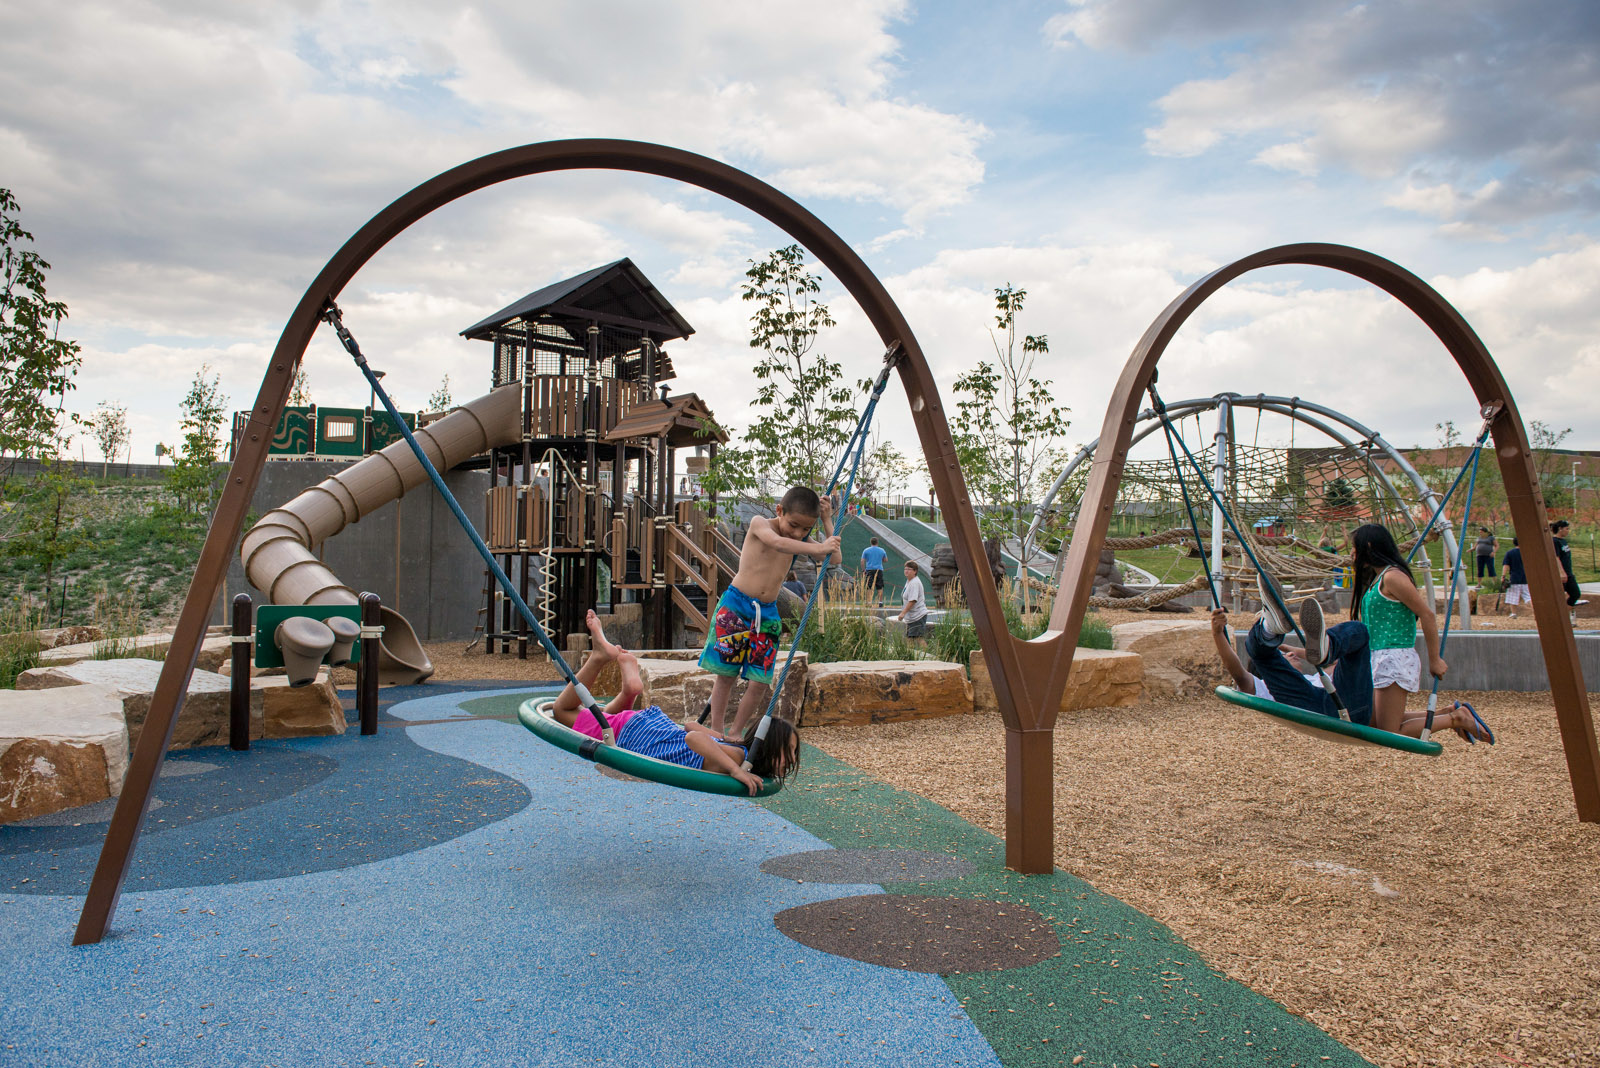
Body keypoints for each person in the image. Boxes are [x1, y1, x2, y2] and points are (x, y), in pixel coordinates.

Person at [553, 611, 800, 795]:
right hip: (637, 734)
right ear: (766, 747)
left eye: (793, 752)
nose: (791, 758)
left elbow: (692, 726)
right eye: (787, 751)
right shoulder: (736, 759)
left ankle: (629, 692)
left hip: (649, 727)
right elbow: (694, 738)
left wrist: (721, 737)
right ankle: (598, 658)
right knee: (562, 711)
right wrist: (734, 770)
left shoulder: (734, 750)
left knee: (606, 717)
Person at [700, 486, 841, 738]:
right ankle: (716, 731)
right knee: (726, 674)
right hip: (736, 607)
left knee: (759, 681)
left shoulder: (799, 540)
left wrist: (827, 520)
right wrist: (818, 547)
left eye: (806, 529)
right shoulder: (759, 524)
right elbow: (777, 542)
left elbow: (836, 558)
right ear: (779, 510)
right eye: (794, 524)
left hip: (767, 613)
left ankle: (736, 733)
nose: (798, 533)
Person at [1552, 520, 1584, 609]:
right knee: (1558, 596)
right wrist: (1561, 572)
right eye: (1567, 529)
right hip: (1561, 574)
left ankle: (1565, 614)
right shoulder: (1554, 541)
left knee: (1575, 594)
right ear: (1560, 529)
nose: (1568, 531)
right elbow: (1556, 557)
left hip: (1569, 573)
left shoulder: (1564, 541)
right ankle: (1558, 616)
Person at [897, 561, 929, 640]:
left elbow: (913, 600)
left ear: (915, 571)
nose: (906, 571)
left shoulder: (914, 583)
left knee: (918, 639)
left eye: (909, 569)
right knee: (910, 640)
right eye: (905, 569)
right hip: (912, 617)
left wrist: (903, 613)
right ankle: (909, 653)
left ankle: (926, 652)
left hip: (917, 616)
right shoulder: (909, 581)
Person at [1501, 538, 1529, 619]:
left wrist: (1503, 576)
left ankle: (1513, 613)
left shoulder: (1510, 553)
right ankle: (1535, 612)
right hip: (1526, 578)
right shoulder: (1526, 552)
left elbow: (1506, 565)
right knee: (1528, 597)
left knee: (1513, 597)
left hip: (1514, 578)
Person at [860, 537, 888, 605]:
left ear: (871, 542)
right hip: (879, 570)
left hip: (869, 570)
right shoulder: (882, 550)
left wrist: (863, 570)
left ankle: (869, 602)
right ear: (877, 542)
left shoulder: (866, 550)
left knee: (868, 586)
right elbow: (885, 560)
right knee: (880, 586)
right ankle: (880, 602)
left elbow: (862, 561)